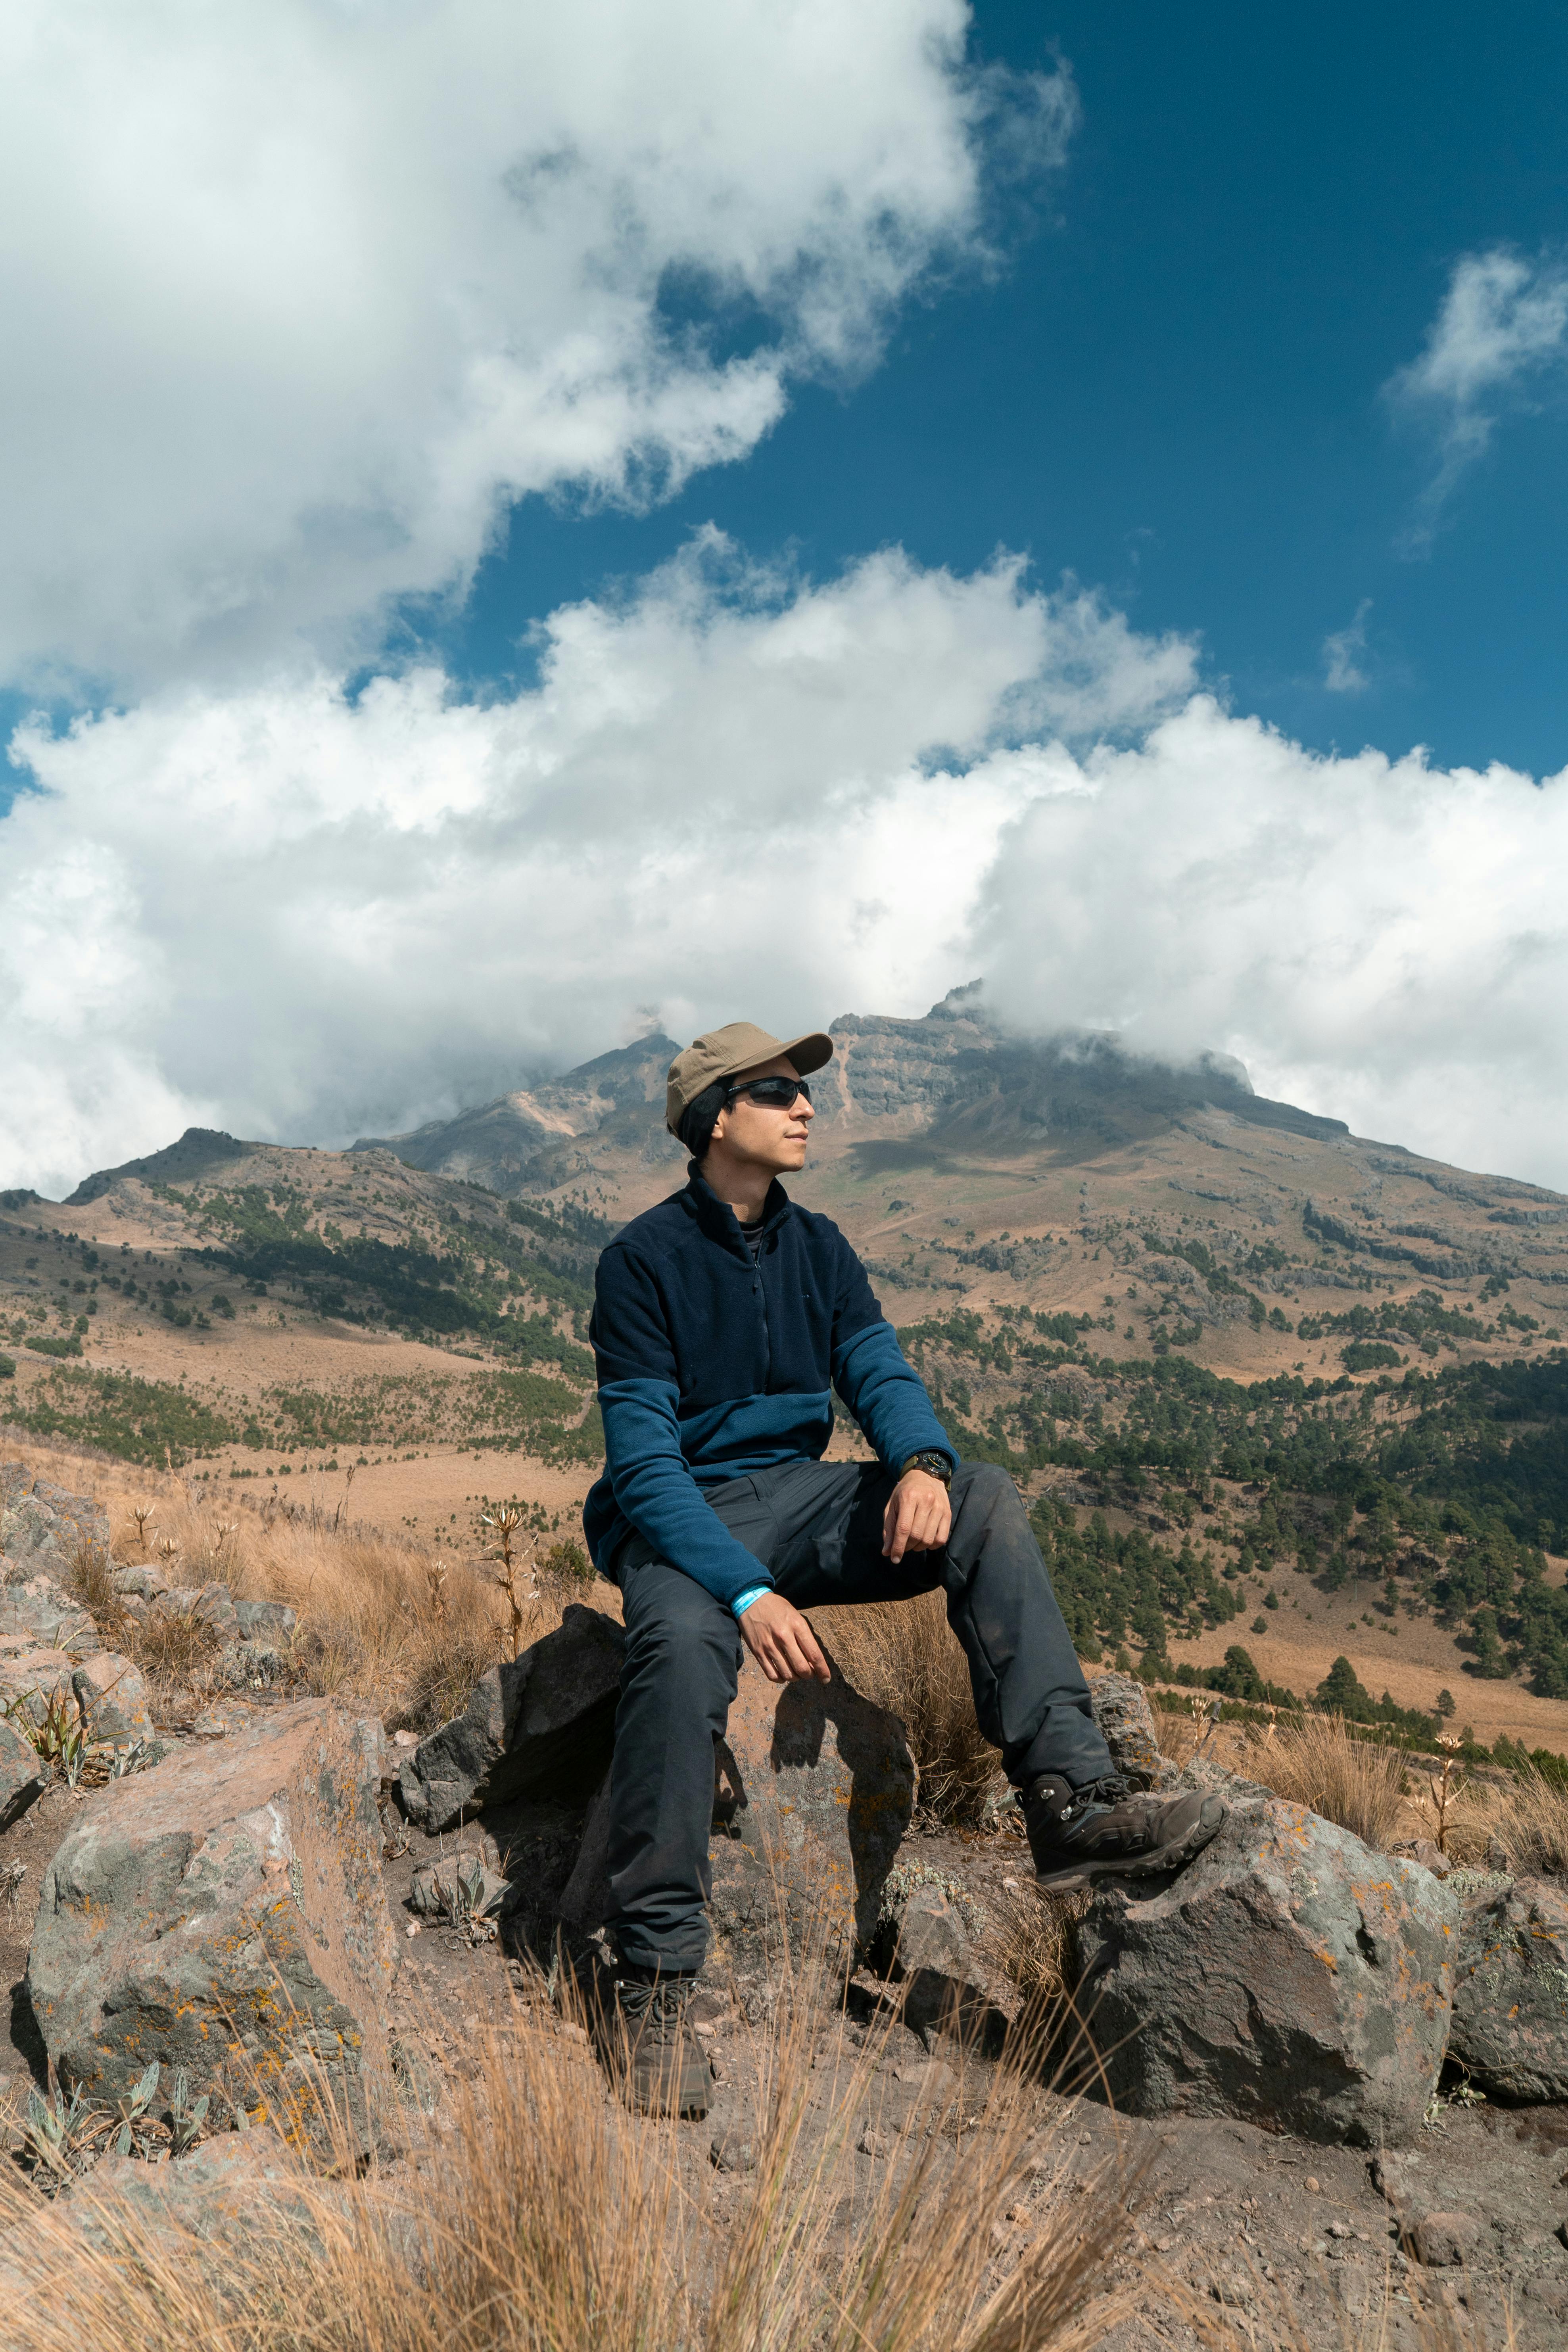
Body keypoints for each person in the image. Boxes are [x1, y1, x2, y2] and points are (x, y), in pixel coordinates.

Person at [582, 1021, 1224, 2116]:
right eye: (779, 1090)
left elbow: (876, 1364)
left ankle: (1068, 1801)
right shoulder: (641, 1260)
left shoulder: (819, 1244)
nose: (806, 1107)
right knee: (685, 1649)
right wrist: (742, 1590)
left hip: (798, 1496)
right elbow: (642, 1462)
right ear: (712, 1117)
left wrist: (922, 1460)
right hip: (684, 1517)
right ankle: (649, 1980)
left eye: (803, 1090)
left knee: (982, 1496)